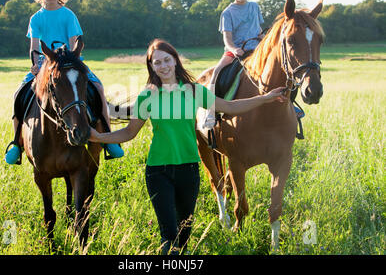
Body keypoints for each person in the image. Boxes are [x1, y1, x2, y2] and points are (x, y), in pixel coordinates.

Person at [88, 39, 287, 254]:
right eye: (157, 63)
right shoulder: (148, 95)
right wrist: (98, 137)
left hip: (189, 171)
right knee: (169, 234)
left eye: (166, 60)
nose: (163, 66)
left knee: (184, 235)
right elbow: (129, 132)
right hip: (158, 171)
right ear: (151, 67)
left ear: (175, 61)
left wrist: (265, 98)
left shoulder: (194, 91)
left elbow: (230, 106)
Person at [5, 0, 123, 165]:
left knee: (98, 88)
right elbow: (35, 47)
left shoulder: (68, 15)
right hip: (45, 65)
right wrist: (35, 65)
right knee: (19, 94)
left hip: (69, 64)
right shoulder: (36, 18)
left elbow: (73, 44)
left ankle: (109, 139)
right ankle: (17, 143)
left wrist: (68, 61)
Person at [202, 0, 265, 129]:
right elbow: (227, 39)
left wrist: (264, 38)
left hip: (257, 49)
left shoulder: (255, 7)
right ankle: (212, 110)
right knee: (217, 72)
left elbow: (258, 30)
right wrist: (234, 49)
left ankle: (290, 104)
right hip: (236, 51)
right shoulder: (227, 13)